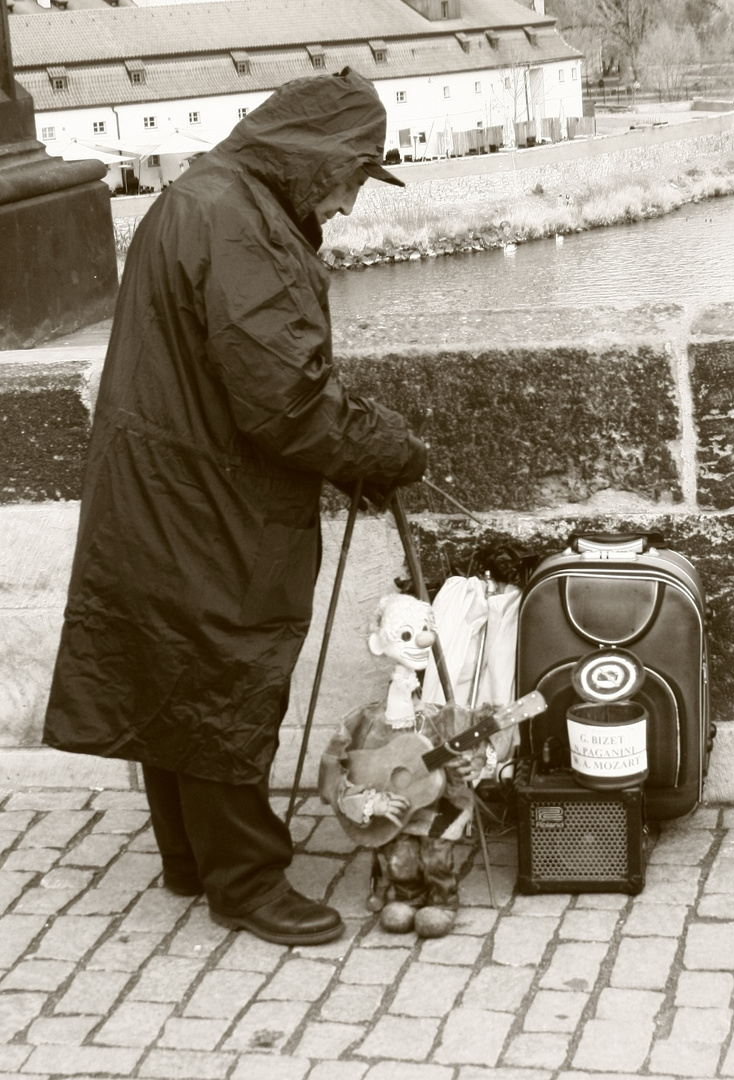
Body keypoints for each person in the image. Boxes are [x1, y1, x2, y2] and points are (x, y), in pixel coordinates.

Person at [42, 68, 427, 948]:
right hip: (204, 494)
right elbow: (285, 400)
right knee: (219, 671)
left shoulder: (204, 198)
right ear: (319, 157)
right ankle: (246, 882)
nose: (350, 204)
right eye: (354, 178)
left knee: (173, 665)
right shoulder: (240, 225)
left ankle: (190, 858)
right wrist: (385, 448)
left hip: (161, 483)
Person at [319, 593, 495, 939]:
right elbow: (331, 769)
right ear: (377, 643)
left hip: (437, 808)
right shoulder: (364, 720)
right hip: (392, 813)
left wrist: (476, 760)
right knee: (400, 858)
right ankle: (408, 896)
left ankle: (442, 902)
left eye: (427, 630)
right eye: (406, 634)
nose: (423, 639)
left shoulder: (439, 717)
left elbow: (487, 722)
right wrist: (368, 801)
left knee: (434, 857)